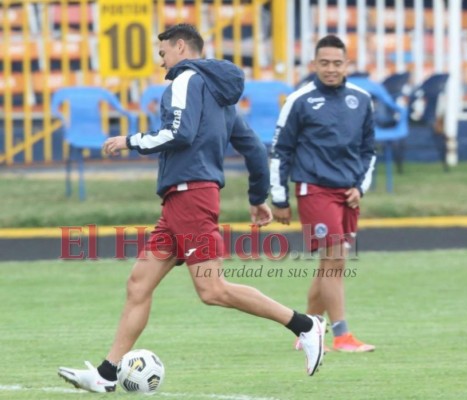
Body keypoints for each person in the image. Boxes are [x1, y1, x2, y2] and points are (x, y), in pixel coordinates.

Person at [58, 24, 326, 393]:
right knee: (138, 283)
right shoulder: (219, 96)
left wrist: (130, 140)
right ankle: (107, 374)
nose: (161, 59)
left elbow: (179, 133)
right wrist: (256, 197)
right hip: (179, 200)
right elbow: (252, 148)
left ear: (180, 46)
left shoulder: (186, 79)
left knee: (212, 290)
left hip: (191, 196)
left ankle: (305, 326)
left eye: (163, 50)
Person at [270, 34, 376, 353]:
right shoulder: (299, 101)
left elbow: (369, 150)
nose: (331, 69)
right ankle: (341, 336)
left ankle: (308, 333)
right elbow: (280, 150)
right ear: (314, 64)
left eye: (337, 63)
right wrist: (279, 197)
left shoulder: (361, 100)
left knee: (330, 266)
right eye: (324, 63)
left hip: (347, 193)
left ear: (347, 65)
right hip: (313, 189)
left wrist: (360, 187)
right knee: (334, 260)